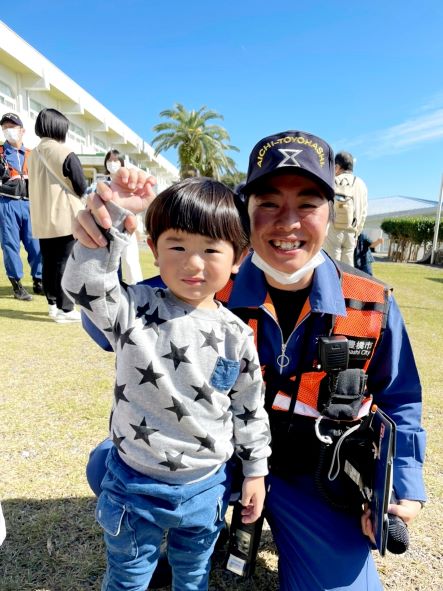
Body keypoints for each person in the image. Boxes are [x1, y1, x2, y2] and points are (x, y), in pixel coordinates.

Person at [75, 130, 426, 591]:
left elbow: (400, 401)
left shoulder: (370, 302)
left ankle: (271, 529)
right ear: (245, 213)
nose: (288, 222)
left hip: (316, 473)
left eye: (307, 203)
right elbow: (106, 318)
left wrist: (400, 486)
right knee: (107, 463)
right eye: (268, 203)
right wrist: (98, 238)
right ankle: (168, 543)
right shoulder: (201, 282)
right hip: (218, 461)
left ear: (330, 213)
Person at [62, 176, 271, 591]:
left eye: (211, 249)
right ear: (154, 250)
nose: (193, 263)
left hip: (205, 486)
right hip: (132, 483)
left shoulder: (237, 334)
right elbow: (84, 286)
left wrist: (254, 472)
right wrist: (114, 218)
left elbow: (249, 407)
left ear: (237, 258)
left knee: (192, 577)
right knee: (127, 578)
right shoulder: (133, 308)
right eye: (177, 246)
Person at [27, 108, 88, 323]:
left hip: (42, 218)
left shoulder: (33, 154)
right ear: (59, 127)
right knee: (66, 263)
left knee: (49, 263)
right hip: (65, 216)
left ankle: (52, 304)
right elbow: (81, 185)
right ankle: (66, 309)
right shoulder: (64, 152)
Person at [0, 112, 43, 300]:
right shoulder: (0, 153)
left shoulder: (32, 155)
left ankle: (39, 280)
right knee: (10, 245)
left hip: (30, 203)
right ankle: (16, 284)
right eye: (5, 127)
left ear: (22, 130)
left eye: (12, 126)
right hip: (7, 203)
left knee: (35, 244)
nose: (8, 130)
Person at [103, 149, 143, 284]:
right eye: (110, 160)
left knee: (130, 260)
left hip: (127, 227)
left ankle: (137, 290)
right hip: (108, 229)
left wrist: (136, 229)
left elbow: (135, 207)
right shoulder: (101, 183)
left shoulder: (129, 183)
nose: (112, 163)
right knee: (109, 263)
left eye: (116, 160)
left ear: (121, 163)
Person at [323, 150, 368, 266]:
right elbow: (363, 212)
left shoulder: (333, 181)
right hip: (352, 230)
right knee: (347, 267)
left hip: (333, 230)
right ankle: (347, 284)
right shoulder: (361, 184)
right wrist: (357, 233)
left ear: (337, 167)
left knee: (332, 265)